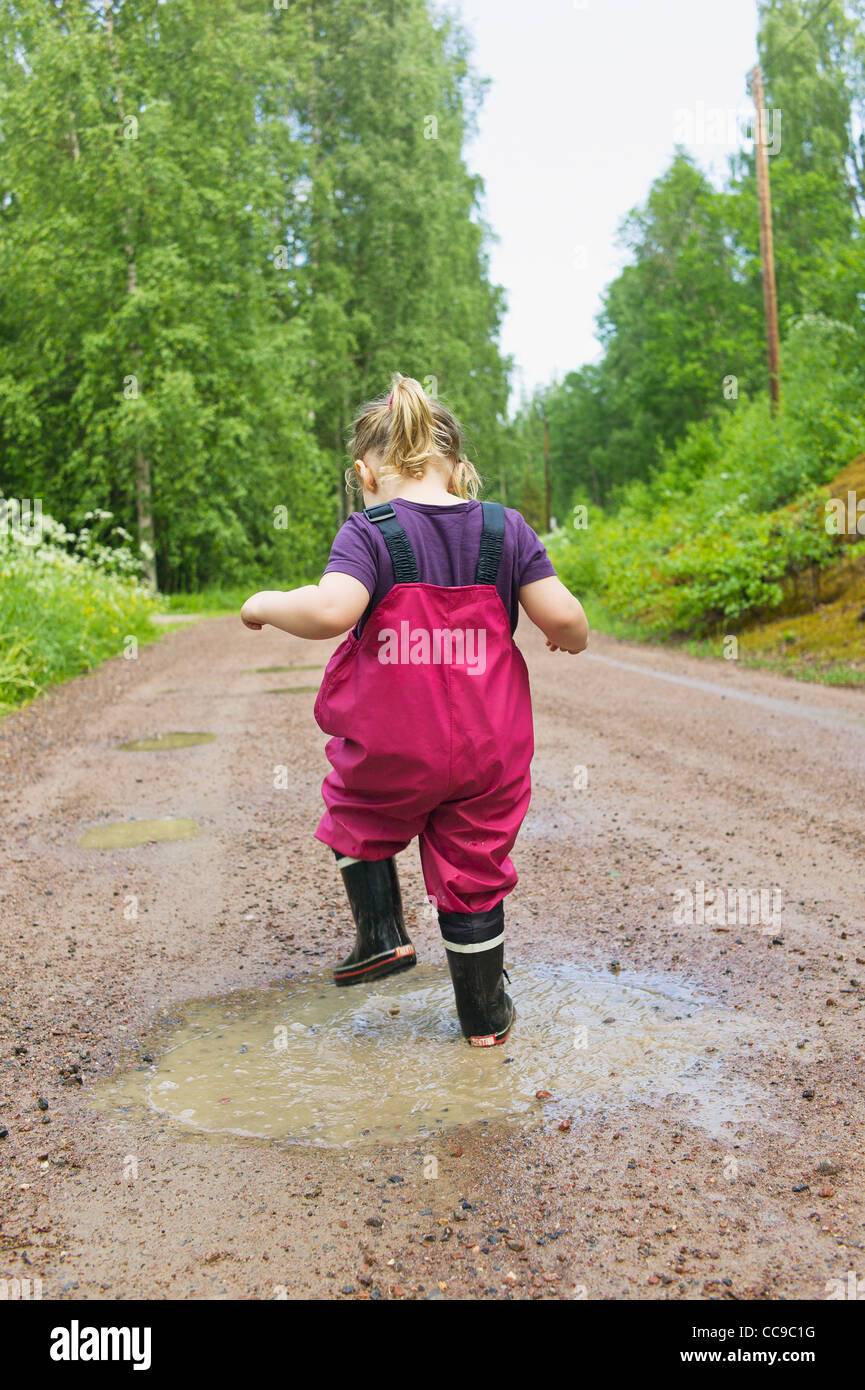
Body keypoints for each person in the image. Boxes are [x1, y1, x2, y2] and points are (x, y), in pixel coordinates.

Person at [241, 374, 588, 1046]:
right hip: (489, 751)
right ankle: (484, 1017)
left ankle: (380, 934)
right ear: (458, 469)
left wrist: (261, 602)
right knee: (475, 863)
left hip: (392, 747)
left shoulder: (368, 532)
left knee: (356, 809)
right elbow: (566, 618)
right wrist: (567, 634)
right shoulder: (505, 528)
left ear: (364, 472)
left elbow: (328, 611)